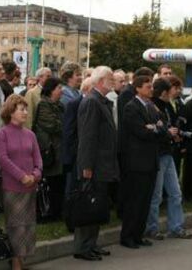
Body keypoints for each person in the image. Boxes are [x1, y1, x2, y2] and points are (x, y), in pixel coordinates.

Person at [74, 66, 118, 261]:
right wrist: (86, 166)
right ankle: (83, 246)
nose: (113, 82)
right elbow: (87, 137)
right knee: (88, 203)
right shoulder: (92, 102)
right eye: (110, 79)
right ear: (100, 81)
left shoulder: (101, 101)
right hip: (94, 164)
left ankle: (92, 243)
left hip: (103, 163)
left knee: (97, 204)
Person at [0, 95, 42, 270]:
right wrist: (22, 176)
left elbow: (38, 158)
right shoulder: (2, 134)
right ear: (11, 111)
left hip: (30, 187)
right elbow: (3, 159)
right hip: (13, 188)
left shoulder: (30, 134)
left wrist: (35, 174)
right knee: (16, 226)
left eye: (26, 109)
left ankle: (22, 261)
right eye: (21, 109)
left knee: (28, 226)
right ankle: (16, 263)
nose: (25, 112)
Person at [145, 78, 192, 241]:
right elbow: (153, 129)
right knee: (156, 195)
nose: (175, 92)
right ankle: (151, 228)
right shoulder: (151, 106)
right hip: (157, 154)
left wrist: (176, 134)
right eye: (172, 90)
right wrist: (168, 132)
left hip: (168, 153)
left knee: (175, 193)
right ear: (165, 92)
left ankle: (176, 227)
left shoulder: (167, 106)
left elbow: (171, 125)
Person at [120, 76, 162, 249]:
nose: (151, 89)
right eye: (147, 86)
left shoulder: (150, 106)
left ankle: (138, 234)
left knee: (145, 200)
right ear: (137, 88)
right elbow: (140, 131)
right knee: (135, 200)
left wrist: (153, 127)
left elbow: (161, 126)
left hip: (151, 161)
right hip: (136, 162)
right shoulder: (131, 107)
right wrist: (152, 128)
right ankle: (127, 235)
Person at [32, 77, 65, 219]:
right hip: (49, 151)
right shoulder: (44, 105)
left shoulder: (59, 105)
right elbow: (53, 125)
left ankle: (57, 211)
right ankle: (48, 212)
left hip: (59, 150)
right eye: (58, 88)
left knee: (58, 184)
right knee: (50, 184)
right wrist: (65, 125)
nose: (61, 91)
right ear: (51, 90)